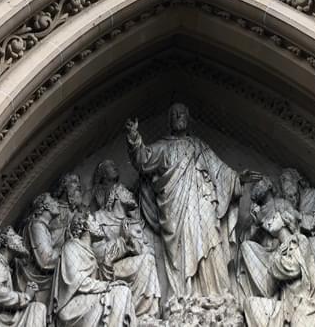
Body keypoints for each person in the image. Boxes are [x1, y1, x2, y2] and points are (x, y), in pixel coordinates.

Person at [126, 103, 254, 297]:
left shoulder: (199, 146)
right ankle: (183, 295)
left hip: (202, 200)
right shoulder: (163, 147)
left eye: (182, 113)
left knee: (211, 237)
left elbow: (219, 170)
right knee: (182, 247)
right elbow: (142, 159)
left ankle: (215, 294)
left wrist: (237, 178)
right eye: (175, 114)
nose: (179, 116)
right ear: (170, 121)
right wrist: (134, 137)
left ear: (188, 118)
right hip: (175, 207)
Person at [89, 160, 160, 318]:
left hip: (132, 265)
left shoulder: (132, 221)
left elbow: (148, 247)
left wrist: (138, 246)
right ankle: (138, 314)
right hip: (111, 270)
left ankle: (146, 314)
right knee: (146, 260)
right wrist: (123, 243)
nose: (130, 194)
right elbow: (97, 253)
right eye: (125, 192)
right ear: (115, 195)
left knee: (148, 258)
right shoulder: (99, 218)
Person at [52, 210, 135, 327]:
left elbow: (99, 285)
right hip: (71, 309)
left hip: (87, 302)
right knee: (121, 291)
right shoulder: (71, 247)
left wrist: (107, 264)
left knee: (122, 291)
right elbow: (76, 281)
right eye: (94, 221)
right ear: (85, 226)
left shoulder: (91, 255)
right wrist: (106, 286)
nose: (99, 224)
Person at [0, 226, 48, 327]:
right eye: (14, 235)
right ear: (5, 242)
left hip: (7, 318)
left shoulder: (8, 266)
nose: (20, 238)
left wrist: (29, 293)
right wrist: (25, 296)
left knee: (38, 308)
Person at [19, 194, 61, 301]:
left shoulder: (42, 227)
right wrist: (65, 250)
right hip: (37, 286)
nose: (57, 203)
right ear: (46, 206)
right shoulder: (37, 226)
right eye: (53, 201)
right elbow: (46, 260)